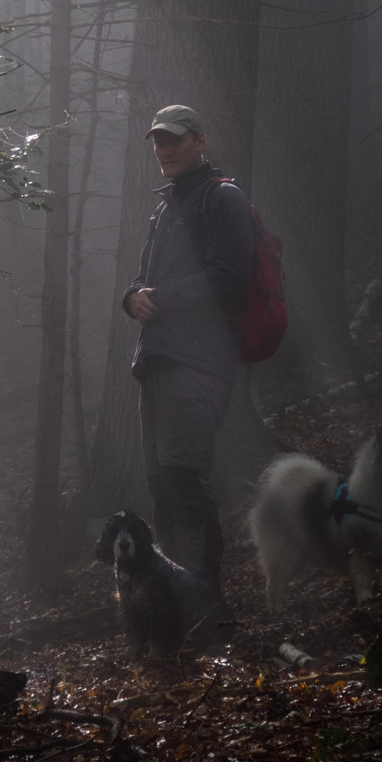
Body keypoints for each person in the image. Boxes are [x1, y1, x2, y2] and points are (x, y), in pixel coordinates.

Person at [123, 104, 255, 613]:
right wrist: (132, 297)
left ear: (200, 140)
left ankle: (207, 609)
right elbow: (142, 279)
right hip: (157, 361)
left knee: (184, 482)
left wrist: (163, 297)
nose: (165, 149)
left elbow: (230, 275)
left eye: (175, 139)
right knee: (162, 487)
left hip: (198, 362)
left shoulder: (222, 198)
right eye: (158, 141)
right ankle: (175, 606)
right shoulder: (165, 208)